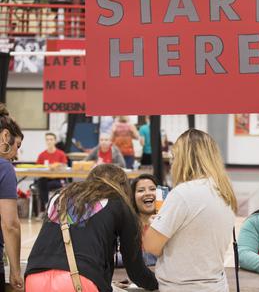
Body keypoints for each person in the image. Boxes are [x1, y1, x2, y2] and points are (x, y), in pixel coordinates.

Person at [25, 164, 158, 292]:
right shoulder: (119, 203)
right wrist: (158, 283)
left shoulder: (59, 196)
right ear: (123, 187)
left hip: (33, 277)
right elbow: (135, 270)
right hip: (79, 280)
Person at [143, 129, 237, 291]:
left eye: (174, 157)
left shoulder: (183, 193)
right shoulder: (225, 191)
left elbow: (151, 245)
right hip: (216, 284)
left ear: (184, 158)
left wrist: (153, 225)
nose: (173, 163)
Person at [0, 104, 24, 291]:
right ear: (5, 136)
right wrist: (15, 270)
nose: (16, 153)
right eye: (18, 145)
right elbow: (10, 224)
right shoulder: (4, 167)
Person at [35, 132, 68, 217]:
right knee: (41, 182)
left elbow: (65, 166)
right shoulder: (42, 155)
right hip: (46, 179)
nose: (49, 141)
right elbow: (37, 168)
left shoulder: (61, 154)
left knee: (52, 185)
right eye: (47, 140)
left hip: (58, 179)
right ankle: (46, 206)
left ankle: (56, 209)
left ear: (55, 141)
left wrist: (57, 165)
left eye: (51, 139)